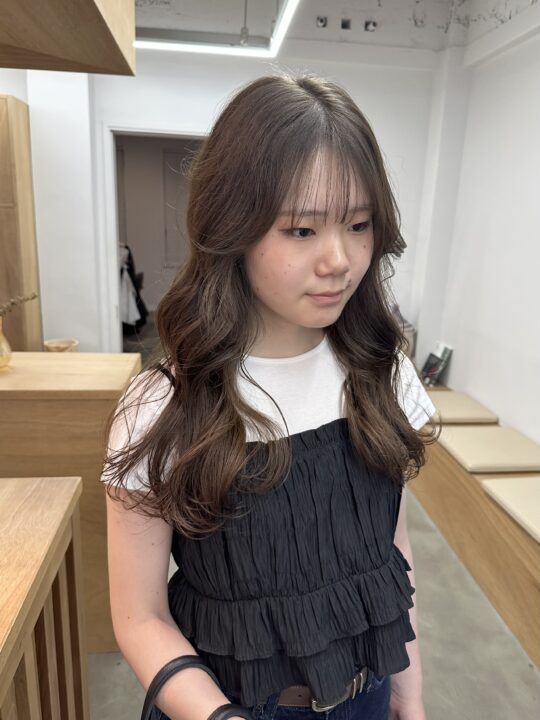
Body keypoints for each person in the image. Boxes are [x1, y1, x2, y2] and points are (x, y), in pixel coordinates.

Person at [100, 71, 440, 720]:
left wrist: (409, 689)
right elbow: (139, 617)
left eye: (359, 224)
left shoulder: (381, 371)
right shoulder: (162, 406)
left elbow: (390, 553)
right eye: (302, 230)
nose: (339, 259)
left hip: (367, 693)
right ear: (232, 226)